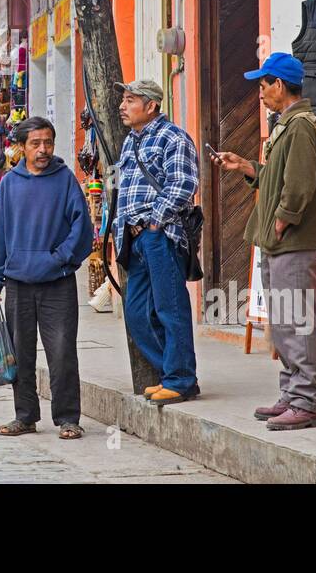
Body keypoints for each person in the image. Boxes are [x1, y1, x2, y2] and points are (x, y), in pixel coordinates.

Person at [214, 53, 316, 431]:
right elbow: (279, 177)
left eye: (263, 85)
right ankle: (293, 392)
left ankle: (308, 400)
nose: (260, 93)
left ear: (279, 84)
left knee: (296, 320)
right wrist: (247, 167)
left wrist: (280, 224)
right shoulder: (288, 125)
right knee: (282, 322)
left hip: (291, 241)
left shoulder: (300, 127)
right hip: (279, 241)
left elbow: (298, 188)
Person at [0, 116, 92, 440]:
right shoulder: (9, 184)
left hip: (57, 283)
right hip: (18, 283)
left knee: (62, 352)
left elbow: (82, 228)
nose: (43, 149)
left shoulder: (65, 181)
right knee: (20, 353)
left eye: (48, 142)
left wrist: (61, 258)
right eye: (36, 143)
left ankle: (68, 418)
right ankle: (26, 415)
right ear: (21, 147)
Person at [113, 78, 202, 408]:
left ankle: (181, 379)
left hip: (160, 236)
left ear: (151, 106)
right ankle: (171, 372)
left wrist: (154, 222)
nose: (123, 106)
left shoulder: (173, 137)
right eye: (124, 100)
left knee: (170, 308)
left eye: (131, 100)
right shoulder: (130, 141)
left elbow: (183, 183)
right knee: (136, 312)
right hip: (134, 238)